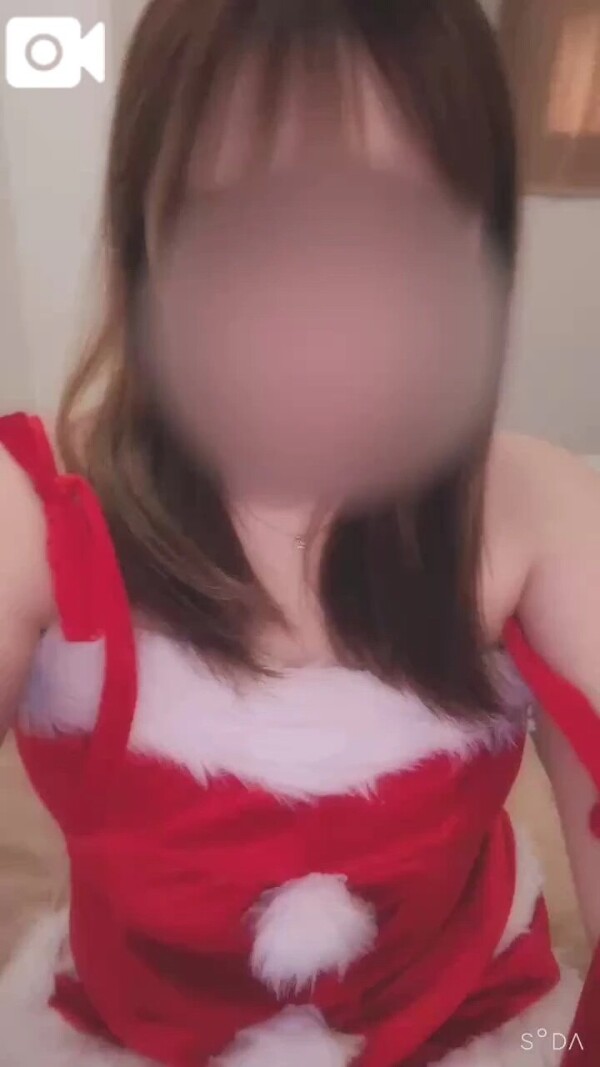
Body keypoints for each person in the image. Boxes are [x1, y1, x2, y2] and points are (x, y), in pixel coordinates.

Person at [0, 2, 600, 1065]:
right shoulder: (36, 512)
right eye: (247, 231)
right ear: (147, 248)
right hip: (130, 1028)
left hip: (475, 1019)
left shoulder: (540, 513)